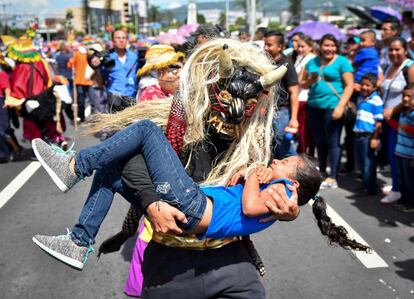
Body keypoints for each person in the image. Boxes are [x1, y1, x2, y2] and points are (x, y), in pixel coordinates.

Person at [31, 39, 297, 299]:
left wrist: (293, 208)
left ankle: (76, 211)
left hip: (229, 262)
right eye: (226, 96)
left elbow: (297, 178)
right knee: (112, 162)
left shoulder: (256, 142)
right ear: (212, 87)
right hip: (172, 262)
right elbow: (127, 162)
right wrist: (151, 202)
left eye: (246, 104)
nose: (234, 111)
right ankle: (78, 232)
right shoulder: (175, 121)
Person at [32, 119, 370, 267]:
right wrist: (243, 174)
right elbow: (237, 198)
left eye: (283, 162)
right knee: (110, 170)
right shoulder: (278, 189)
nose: (275, 161)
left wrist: (253, 173)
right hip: (194, 209)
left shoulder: (283, 193)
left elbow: (250, 208)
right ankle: (79, 242)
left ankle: (75, 165)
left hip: (192, 205)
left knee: (148, 130)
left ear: (294, 183)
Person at [301, 34, 354, 189]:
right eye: (326, 45)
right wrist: (310, 80)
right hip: (314, 106)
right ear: (320, 46)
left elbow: (349, 85)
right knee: (320, 141)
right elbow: (303, 84)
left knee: (333, 141)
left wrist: (340, 106)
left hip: (332, 106)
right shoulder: (312, 62)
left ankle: (333, 177)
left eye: (332, 45)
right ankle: (323, 171)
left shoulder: (342, 62)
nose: (330, 49)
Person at [380, 37, 414, 204]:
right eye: (391, 50)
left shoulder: (410, 67)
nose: (394, 53)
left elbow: (411, 95)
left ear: (405, 50)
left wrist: (394, 109)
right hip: (387, 118)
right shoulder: (389, 66)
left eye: (398, 50)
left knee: (398, 155)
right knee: (391, 153)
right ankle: (397, 185)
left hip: (400, 119)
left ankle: (398, 190)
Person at [264, 31, 299, 159]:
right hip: (269, 111)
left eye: (269, 45)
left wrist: (293, 119)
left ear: (280, 47)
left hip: (282, 111)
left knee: (283, 144)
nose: (266, 48)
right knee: (272, 145)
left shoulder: (286, 65)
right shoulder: (266, 63)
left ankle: (297, 170)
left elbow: (294, 93)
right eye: (265, 44)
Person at [92, 30, 139, 113]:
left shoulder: (134, 56)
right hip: (114, 98)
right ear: (113, 41)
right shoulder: (107, 57)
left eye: (124, 38)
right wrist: (97, 68)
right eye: (118, 38)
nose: (121, 40)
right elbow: (100, 83)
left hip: (132, 97)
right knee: (117, 125)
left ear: (127, 40)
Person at [353, 73, 383, 195]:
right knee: (360, 162)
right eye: (362, 85)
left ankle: (370, 188)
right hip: (358, 134)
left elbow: (379, 122)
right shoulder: (360, 98)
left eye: (368, 85)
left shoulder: (376, 100)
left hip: (368, 136)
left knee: (368, 163)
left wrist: (375, 138)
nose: (364, 87)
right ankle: (365, 184)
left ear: (374, 87)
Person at [391, 84, 414, 211]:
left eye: (409, 96)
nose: (406, 99)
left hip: (409, 154)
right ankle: (403, 199)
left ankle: (411, 203)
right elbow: (398, 127)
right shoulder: (403, 113)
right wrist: (389, 120)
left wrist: (407, 128)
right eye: (404, 96)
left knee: (410, 180)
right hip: (399, 152)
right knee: (401, 179)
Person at [295, 35, 315, 154]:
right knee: (302, 130)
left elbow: (303, 81)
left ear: (310, 47)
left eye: (303, 46)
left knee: (304, 130)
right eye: (298, 46)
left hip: (305, 97)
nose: (300, 49)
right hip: (299, 97)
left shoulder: (310, 60)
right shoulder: (300, 58)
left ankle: (305, 155)